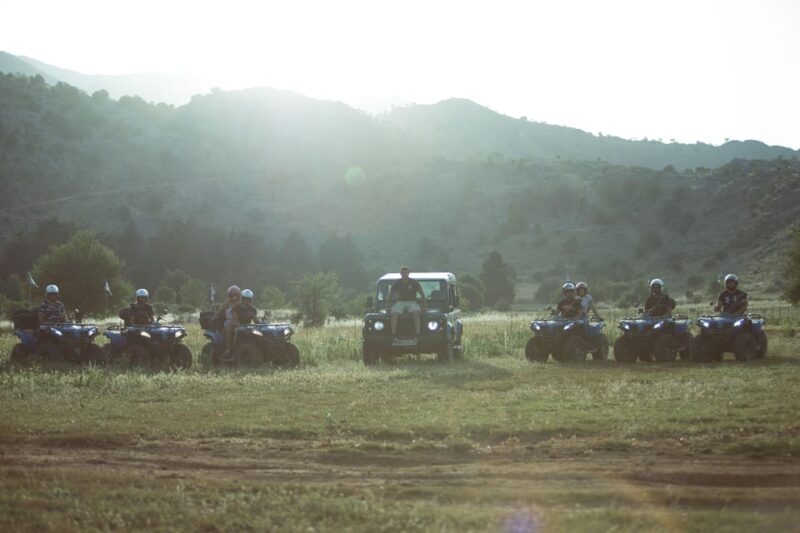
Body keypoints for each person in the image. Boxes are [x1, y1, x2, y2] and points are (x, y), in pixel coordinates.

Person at [387, 266, 427, 336]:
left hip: (411, 301)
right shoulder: (396, 283)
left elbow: (422, 294)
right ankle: (393, 333)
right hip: (400, 302)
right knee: (394, 314)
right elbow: (390, 295)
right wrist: (388, 306)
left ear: (408, 273)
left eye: (406, 272)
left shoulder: (414, 282)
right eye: (403, 272)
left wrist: (424, 306)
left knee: (416, 313)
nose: (404, 274)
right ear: (400, 273)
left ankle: (418, 333)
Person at [215, 285, 242, 355]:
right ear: (229, 295)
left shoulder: (241, 302)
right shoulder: (227, 302)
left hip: (239, 321)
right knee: (229, 328)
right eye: (231, 295)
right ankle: (228, 348)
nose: (233, 296)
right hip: (229, 321)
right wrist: (214, 316)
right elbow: (220, 310)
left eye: (235, 294)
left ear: (238, 295)